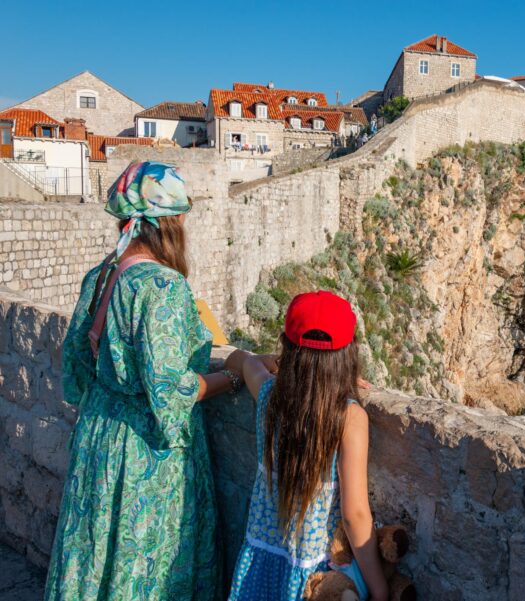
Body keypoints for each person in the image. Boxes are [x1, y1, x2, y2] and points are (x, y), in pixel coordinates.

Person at [45, 161, 240, 601]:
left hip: (98, 433)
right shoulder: (162, 286)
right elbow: (171, 391)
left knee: (96, 556)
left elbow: (76, 368)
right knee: (146, 565)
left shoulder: (101, 277)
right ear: (169, 223)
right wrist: (232, 374)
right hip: (145, 453)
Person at [226, 291, 388, 601]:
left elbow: (240, 359)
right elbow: (354, 515)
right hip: (311, 575)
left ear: (287, 346)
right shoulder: (348, 417)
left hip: (260, 561)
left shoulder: (269, 394)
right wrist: (380, 590)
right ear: (349, 354)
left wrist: (284, 365)